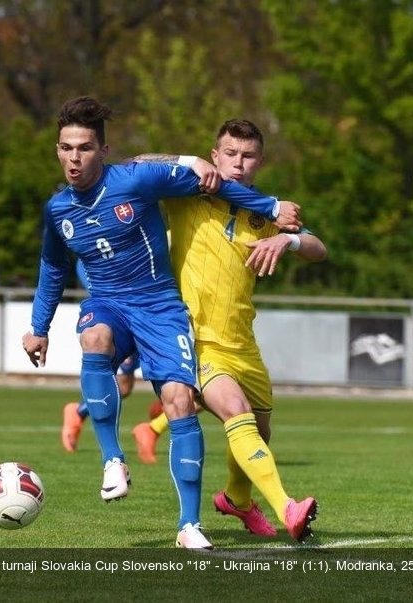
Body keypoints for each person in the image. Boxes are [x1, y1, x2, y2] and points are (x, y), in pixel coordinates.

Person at [21, 97, 300, 549]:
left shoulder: (133, 179)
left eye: (85, 148)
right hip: (109, 302)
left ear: (103, 151)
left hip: (159, 306)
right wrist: (39, 326)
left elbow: (214, 185)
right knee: (95, 337)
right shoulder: (57, 211)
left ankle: (189, 526)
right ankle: (113, 459)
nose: (75, 157)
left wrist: (267, 207)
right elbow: (52, 269)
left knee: (179, 403)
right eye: (66, 148)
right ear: (57, 150)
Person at [130, 119, 327, 543]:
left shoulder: (266, 211)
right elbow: (134, 164)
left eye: (248, 156)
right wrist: (189, 162)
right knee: (236, 413)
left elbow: (318, 249)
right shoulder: (188, 194)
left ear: (260, 161)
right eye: (230, 154)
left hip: (243, 343)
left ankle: (237, 499)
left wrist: (287, 241)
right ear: (216, 156)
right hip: (195, 339)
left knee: (261, 430)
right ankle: (287, 507)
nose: (238, 164)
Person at [60, 261, 160, 451]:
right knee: (120, 382)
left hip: (142, 311)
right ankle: (79, 414)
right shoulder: (92, 245)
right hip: (120, 315)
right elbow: (86, 269)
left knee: (126, 386)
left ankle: (79, 412)